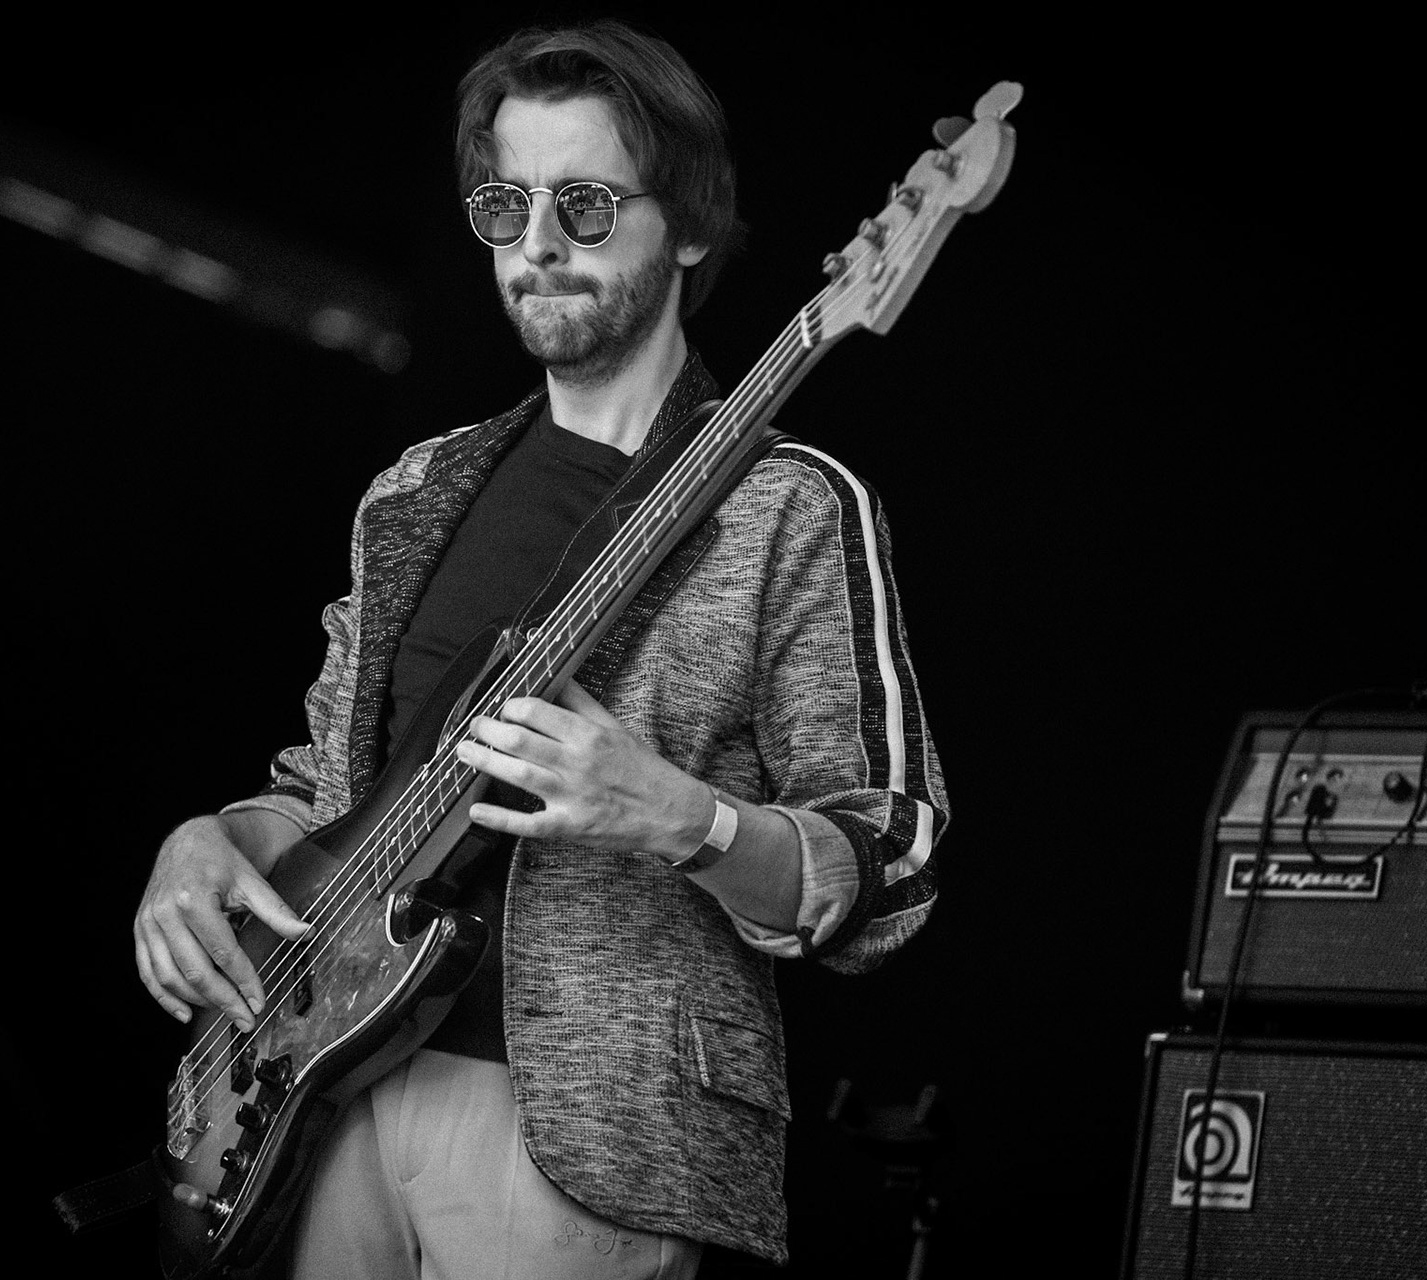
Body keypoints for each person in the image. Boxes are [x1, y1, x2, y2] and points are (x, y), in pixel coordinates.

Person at [133, 19, 947, 1279]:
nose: (537, 246)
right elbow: (324, 792)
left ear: (686, 225)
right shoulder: (413, 492)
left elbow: (891, 854)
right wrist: (210, 840)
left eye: (581, 202)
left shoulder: (793, 502)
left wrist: (682, 815)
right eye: (504, 205)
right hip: (327, 1097)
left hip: (589, 1132)